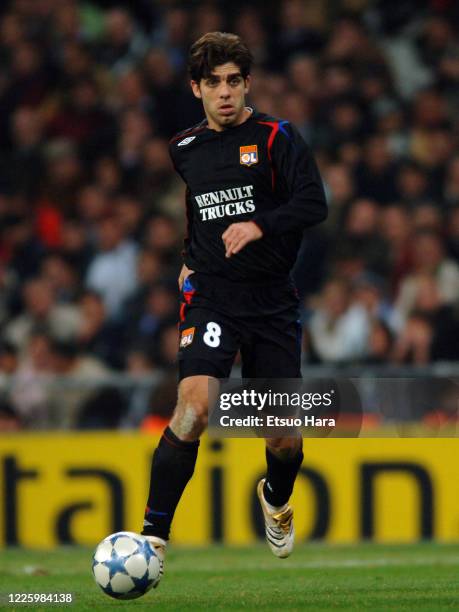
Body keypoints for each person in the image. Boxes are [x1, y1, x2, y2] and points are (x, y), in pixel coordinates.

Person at [141, 32, 327, 585]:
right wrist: (187, 257)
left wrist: (259, 224)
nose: (225, 92)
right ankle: (152, 539)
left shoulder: (277, 137)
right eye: (214, 83)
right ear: (196, 88)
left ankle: (275, 495)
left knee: (282, 439)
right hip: (213, 296)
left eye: (234, 81)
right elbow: (201, 210)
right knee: (194, 406)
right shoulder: (184, 149)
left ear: (247, 84)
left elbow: (314, 202)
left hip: (271, 301)